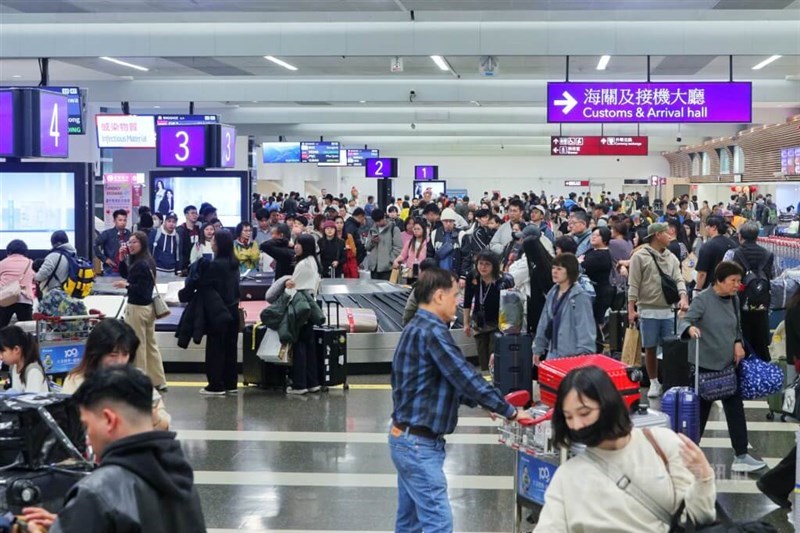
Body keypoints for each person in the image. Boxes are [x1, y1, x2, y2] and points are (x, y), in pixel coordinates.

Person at [389, 267, 533, 532]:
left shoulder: (415, 327)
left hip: (405, 437)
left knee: (410, 523)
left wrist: (483, 402)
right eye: (455, 295)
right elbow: (463, 375)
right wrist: (509, 411)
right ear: (439, 296)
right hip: (419, 444)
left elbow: (439, 380)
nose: (457, 301)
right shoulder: (432, 332)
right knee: (438, 522)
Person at [20, 366, 206, 532]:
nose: (87, 438)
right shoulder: (179, 474)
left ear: (109, 420)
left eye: (86, 425)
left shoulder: (97, 492)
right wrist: (75, 521)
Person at [534, 366, 716, 532]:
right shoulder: (567, 476)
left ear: (608, 405)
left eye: (584, 413)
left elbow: (698, 517)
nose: (577, 424)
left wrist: (704, 477)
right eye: (568, 417)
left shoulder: (662, 444)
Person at [679, 261, 766, 473]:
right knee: (699, 413)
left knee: (735, 410)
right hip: (706, 366)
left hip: (728, 365)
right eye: (733, 281)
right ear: (719, 280)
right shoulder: (703, 300)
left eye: (739, 281)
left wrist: (738, 342)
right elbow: (685, 320)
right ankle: (687, 456)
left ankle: (741, 455)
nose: (737, 285)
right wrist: (690, 329)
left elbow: (737, 326)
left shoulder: (734, 299)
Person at [61, 318, 170, 430]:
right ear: (97, 354)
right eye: (113, 355)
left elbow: (165, 425)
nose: (119, 361)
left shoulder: (138, 379)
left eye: (125, 354)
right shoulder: (76, 380)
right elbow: (67, 425)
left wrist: (154, 417)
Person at [627, 223, 689, 398]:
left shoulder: (672, 258)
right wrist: (631, 309)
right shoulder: (639, 257)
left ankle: (669, 381)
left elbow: (679, 279)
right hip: (647, 310)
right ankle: (654, 382)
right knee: (650, 347)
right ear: (657, 235)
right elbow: (633, 284)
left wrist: (683, 296)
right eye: (666, 233)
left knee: (670, 348)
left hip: (668, 309)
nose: (670, 236)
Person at [183, 230, 241, 396]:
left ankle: (216, 385)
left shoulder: (215, 265)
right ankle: (230, 383)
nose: (212, 243)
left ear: (220, 244)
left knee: (216, 349)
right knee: (230, 349)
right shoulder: (234, 263)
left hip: (218, 312)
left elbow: (200, 284)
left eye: (214, 241)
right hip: (234, 311)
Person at [114, 231, 167, 392]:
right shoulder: (147, 261)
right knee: (151, 345)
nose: (130, 245)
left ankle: (138, 381)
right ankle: (158, 380)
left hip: (137, 308)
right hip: (148, 309)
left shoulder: (141, 264)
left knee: (138, 346)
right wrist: (122, 260)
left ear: (142, 243)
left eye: (134, 242)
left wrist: (126, 285)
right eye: (129, 242)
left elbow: (140, 289)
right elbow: (129, 275)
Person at [725, 221, 774, 362]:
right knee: (761, 344)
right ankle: (762, 371)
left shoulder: (732, 254)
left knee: (742, 341)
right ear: (757, 237)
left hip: (737, 304)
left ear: (740, 236)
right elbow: (772, 277)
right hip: (762, 306)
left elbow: (722, 277)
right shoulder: (768, 254)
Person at [532, 253, 596, 363]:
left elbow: (585, 328)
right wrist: (538, 348)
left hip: (572, 356)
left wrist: (584, 356)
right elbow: (544, 322)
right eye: (553, 268)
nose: (554, 272)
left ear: (570, 271)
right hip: (552, 352)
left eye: (559, 269)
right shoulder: (553, 292)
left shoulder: (579, 297)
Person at [462, 250, 513, 372]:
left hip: (497, 323)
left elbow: (510, 306)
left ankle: (496, 379)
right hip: (479, 323)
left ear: (494, 266)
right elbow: (467, 301)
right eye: (480, 263)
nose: (483, 267)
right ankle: (486, 379)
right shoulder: (473, 276)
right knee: (482, 357)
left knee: (494, 355)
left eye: (487, 264)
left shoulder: (503, 281)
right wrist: (466, 323)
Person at [286, 234, 323, 395]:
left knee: (299, 345)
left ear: (306, 246)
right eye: (295, 243)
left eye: (299, 244)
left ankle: (299, 384)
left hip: (301, 307)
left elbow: (293, 286)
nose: (295, 246)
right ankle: (312, 382)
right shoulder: (313, 261)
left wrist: (286, 285)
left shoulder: (303, 264)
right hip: (310, 306)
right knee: (309, 345)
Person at [581, 226, 614, 349]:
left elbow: (584, 265)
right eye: (593, 234)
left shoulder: (602, 254)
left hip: (600, 292)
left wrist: (581, 261)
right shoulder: (592, 251)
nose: (593, 237)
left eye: (597, 235)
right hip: (592, 291)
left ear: (604, 239)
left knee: (597, 322)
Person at [0, 325, 48, 393]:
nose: (0, 357)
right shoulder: (15, 367)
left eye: (2, 352)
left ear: (16, 349)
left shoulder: (33, 372)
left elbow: (31, 399)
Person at [695, 216, 735, 292]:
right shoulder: (733, 244)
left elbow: (702, 273)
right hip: (729, 287)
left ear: (714, 227)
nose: (706, 228)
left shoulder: (707, 246)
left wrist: (697, 290)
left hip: (711, 289)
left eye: (707, 226)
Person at [0, 239, 34, 327]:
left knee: (1, 328)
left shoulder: (2, 263)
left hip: (5, 299)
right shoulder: (30, 263)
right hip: (25, 299)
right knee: (27, 329)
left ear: (9, 251)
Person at [34, 231, 77, 296]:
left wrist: (35, 277)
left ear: (57, 243)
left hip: (54, 294)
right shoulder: (73, 255)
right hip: (68, 292)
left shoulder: (54, 256)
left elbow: (42, 275)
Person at [365, 208, 403, 281]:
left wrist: (390, 260)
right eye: (376, 221)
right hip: (374, 268)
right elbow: (367, 247)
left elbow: (398, 248)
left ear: (384, 217)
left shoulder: (394, 229)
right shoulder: (372, 230)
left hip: (387, 268)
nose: (378, 223)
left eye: (379, 221)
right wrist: (372, 242)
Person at [427, 208, 462, 277]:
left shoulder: (461, 234)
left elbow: (466, 257)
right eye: (446, 221)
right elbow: (430, 255)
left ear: (454, 221)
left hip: (455, 275)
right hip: (438, 274)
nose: (448, 223)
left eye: (450, 221)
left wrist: (463, 276)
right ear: (442, 221)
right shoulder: (434, 234)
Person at [94, 209, 131, 275]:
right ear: (114, 221)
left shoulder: (129, 234)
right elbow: (94, 244)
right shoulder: (107, 233)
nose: (123, 222)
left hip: (127, 269)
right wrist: (105, 259)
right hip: (111, 270)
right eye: (120, 220)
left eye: (125, 220)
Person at [393, 219, 428, 285]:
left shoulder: (427, 242)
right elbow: (403, 255)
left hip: (423, 273)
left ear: (423, 230)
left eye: (418, 229)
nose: (416, 231)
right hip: (410, 272)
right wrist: (396, 260)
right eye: (414, 229)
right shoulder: (409, 242)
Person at [176, 205, 200, 275]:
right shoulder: (180, 230)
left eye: (196, 213)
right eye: (192, 213)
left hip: (196, 264)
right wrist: (180, 266)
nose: (195, 215)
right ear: (186, 215)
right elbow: (179, 250)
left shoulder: (199, 230)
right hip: (184, 266)